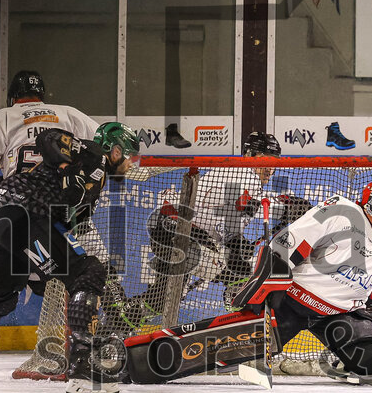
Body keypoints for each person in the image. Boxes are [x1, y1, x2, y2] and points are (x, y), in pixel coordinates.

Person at [127, 176, 372, 386]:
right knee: (230, 346)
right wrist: (264, 287)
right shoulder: (343, 210)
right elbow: (290, 243)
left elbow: (361, 292)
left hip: (334, 315)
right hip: (291, 302)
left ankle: (340, 361)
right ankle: (138, 357)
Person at [0, 122, 140, 393]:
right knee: (89, 272)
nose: (133, 163)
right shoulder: (93, 152)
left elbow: (68, 219)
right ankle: (83, 369)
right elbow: (47, 137)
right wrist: (65, 168)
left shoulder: (94, 174)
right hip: (27, 212)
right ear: (116, 150)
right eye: (131, 155)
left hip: (3, 220)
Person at [108, 132, 310, 335]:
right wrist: (286, 208)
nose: (270, 168)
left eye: (275, 162)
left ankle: (120, 322)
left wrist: (242, 241)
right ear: (249, 155)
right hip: (179, 231)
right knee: (242, 276)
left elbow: (232, 220)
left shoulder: (239, 176)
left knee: (163, 298)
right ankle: (240, 332)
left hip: (173, 229)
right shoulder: (245, 175)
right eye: (265, 159)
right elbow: (245, 209)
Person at [0, 70, 99, 354]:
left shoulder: (1, 117)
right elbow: (103, 141)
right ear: (43, 95)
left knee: (1, 285)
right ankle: (88, 347)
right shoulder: (69, 114)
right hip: (55, 210)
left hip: (11, 207)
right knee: (88, 273)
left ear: (13, 97)